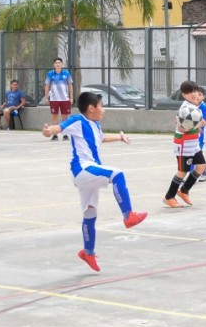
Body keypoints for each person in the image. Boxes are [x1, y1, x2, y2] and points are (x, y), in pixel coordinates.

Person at [43, 91, 148, 272]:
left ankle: (88, 252)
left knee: (90, 213)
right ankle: (128, 216)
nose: (103, 110)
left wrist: (120, 137)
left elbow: (102, 138)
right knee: (118, 174)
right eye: (101, 106)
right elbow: (58, 128)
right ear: (91, 108)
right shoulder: (77, 121)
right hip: (82, 168)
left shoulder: (95, 125)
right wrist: (48, 131)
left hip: (88, 173)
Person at [163, 81, 206, 208]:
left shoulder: (193, 106)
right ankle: (169, 197)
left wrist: (198, 126)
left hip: (193, 143)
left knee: (201, 166)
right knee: (182, 171)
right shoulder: (185, 109)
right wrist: (199, 124)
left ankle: (184, 190)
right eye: (189, 92)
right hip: (184, 144)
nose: (194, 94)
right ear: (184, 95)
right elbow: (182, 128)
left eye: (195, 91)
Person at [45, 57, 74, 141]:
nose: (58, 64)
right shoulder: (50, 74)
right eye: (56, 63)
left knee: (65, 116)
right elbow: (47, 86)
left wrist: (71, 97)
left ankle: (65, 134)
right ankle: (55, 135)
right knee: (54, 116)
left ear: (62, 64)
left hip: (65, 99)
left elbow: (70, 85)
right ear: (54, 64)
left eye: (59, 63)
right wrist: (46, 97)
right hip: (54, 99)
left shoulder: (66, 73)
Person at [196, 87, 206, 182]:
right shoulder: (192, 105)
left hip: (203, 133)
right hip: (194, 131)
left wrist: (195, 126)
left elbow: (204, 121)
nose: (197, 96)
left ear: (203, 97)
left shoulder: (203, 107)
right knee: (193, 153)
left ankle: (204, 174)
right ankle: (193, 174)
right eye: (196, 94)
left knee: (198, 153)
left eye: (200, 95)